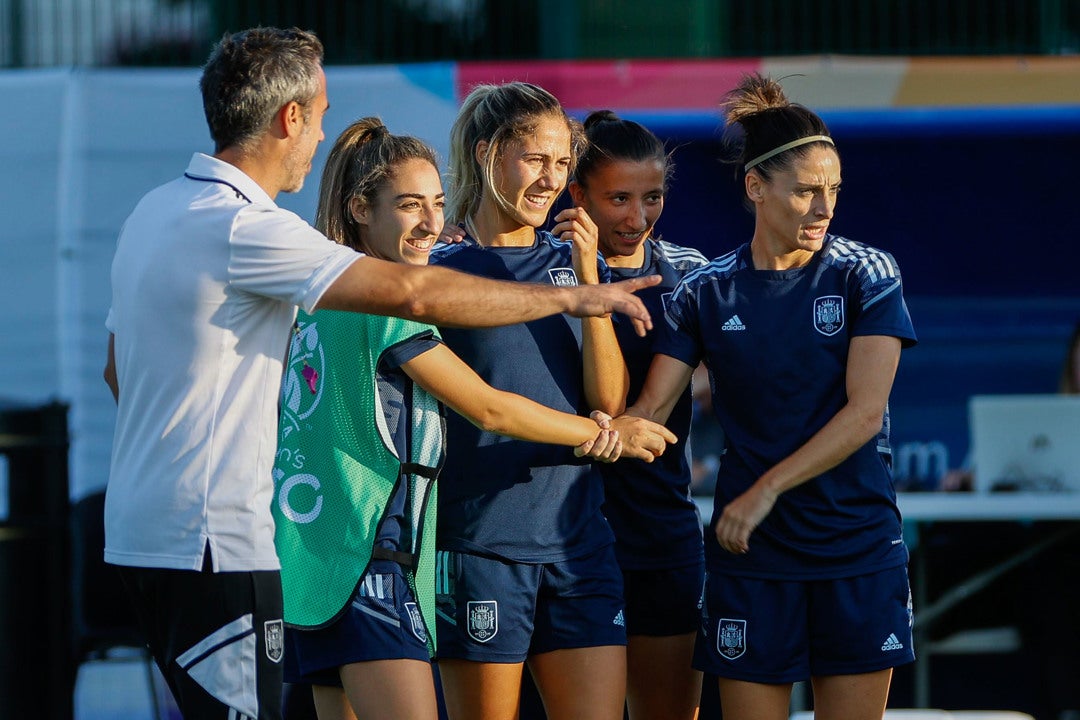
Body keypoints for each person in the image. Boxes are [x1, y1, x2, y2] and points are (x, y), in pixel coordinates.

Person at [101, 28, 661, 720]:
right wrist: (577, 299)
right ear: (290, 118)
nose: (429, 224)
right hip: (259, 542)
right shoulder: (260, 233)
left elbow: (114, 372)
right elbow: (431, 323)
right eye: (323, 114)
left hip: (153, 534)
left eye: (434, 205)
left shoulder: (153, 213)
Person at [272, 118, 674, 720]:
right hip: (372, 556)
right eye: (410, 205)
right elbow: (486, 406)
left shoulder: (313, 298)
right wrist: (606, 436)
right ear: (360, 208)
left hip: (315, 561)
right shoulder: (390, 299)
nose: (431, 221)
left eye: (436, 203)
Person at [625, 73, 918, 720]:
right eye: (806, 191)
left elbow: (864, 414)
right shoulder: (704, 289)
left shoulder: (865, 272)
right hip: (750, 555)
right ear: (757, 188)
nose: (824, 209)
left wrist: (764, 490)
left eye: (833, 192)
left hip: (855, 548)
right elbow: (650, 412)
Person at [429, 82, 665, 720]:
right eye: (535, 159)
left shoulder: (573, 260)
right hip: (480, 543)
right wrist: (597, 435)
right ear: (487, 155)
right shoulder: (437, 267)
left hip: (580, 545)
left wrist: (588, 279)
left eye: (562, 165)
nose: (550, 179)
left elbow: (608, 400)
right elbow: (487, 406)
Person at [566, 110, 708, 720]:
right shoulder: (543, 271)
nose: (637, 217)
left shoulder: (693, 274)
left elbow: (721, 372)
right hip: (561, 532)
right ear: (577, 196)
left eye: (651, 198)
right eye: (618, 198)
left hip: (659, 528)